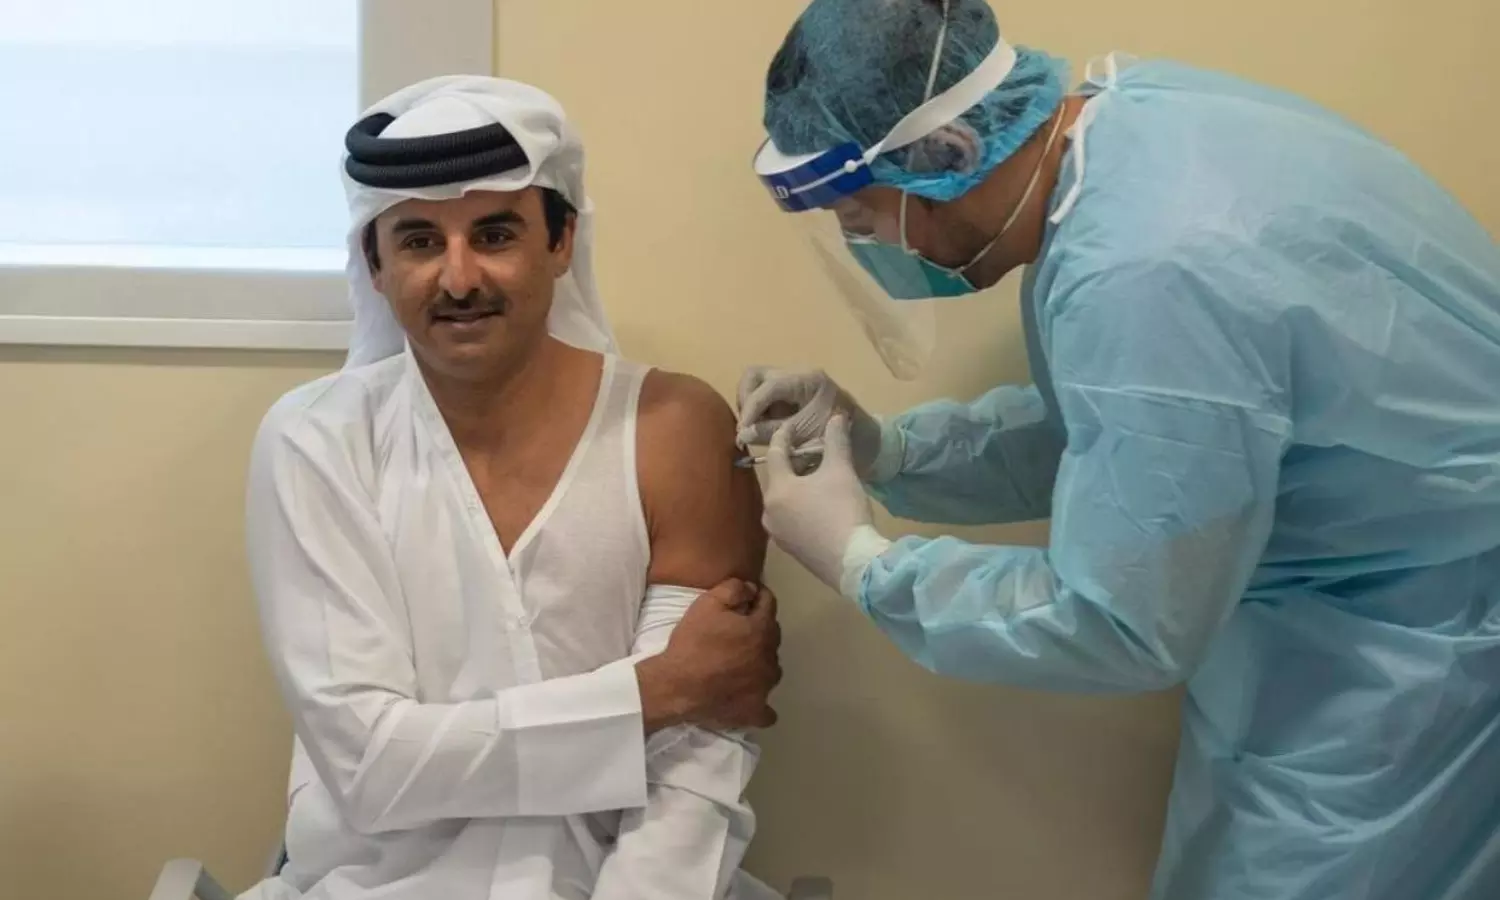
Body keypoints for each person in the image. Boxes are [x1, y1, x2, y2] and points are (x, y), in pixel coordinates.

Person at [737, 1, 1500, 898]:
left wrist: (863, 563)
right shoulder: (1131, 124)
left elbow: (1121, 621)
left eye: (860, 212)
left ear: (947, 153)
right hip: (1376, 609)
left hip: (1420, 658)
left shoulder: (1148, 267)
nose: (864, 241)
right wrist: (891, 450)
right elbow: (1132, 433)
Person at [243, 76, 784, 900]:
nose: (459, 278)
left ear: (561, 241)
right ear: (375, 265)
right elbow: (372, 768)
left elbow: (698, 755)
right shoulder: (316, 441)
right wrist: (659, 691)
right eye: (420, 241)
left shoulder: (673, 429)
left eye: (495, 234)